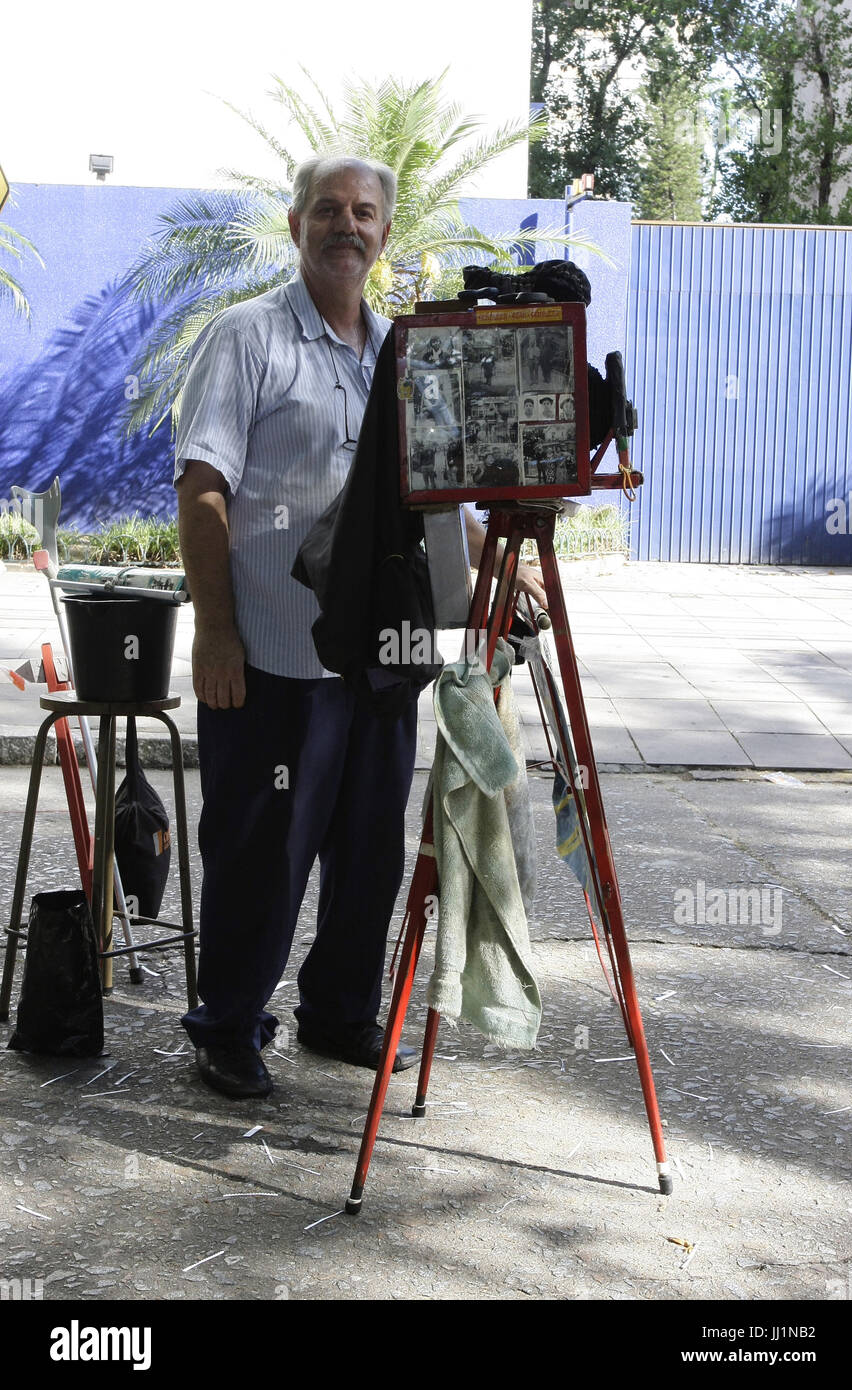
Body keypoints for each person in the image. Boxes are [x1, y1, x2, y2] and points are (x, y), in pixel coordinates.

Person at [174, 155, 545, 1101]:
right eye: (330, 210)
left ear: (385, 232)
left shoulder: (406, 355)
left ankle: (337, 1010)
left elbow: (439, 494)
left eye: (365, 213)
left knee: (370, 850)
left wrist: (508, 565)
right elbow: (202, 487)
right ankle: (228, 1023)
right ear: (297, 223)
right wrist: (215, 634)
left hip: (387, 656)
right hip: (271, 656)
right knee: (262, 850)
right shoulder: (247, 337)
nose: (349, 225)